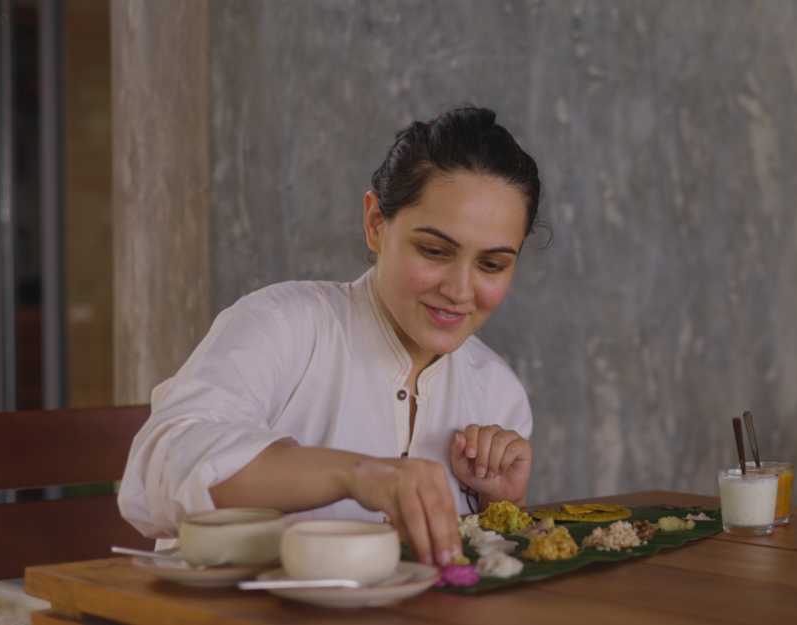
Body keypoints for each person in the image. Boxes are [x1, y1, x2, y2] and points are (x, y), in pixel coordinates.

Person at [119, 105, 542, 568]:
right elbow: (161, 466)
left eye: (492, 265)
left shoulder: (498, 393)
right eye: (435, 251)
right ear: (376, 224)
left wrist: (500, 507)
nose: (460, 291)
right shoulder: (282, 326)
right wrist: (360, 473)